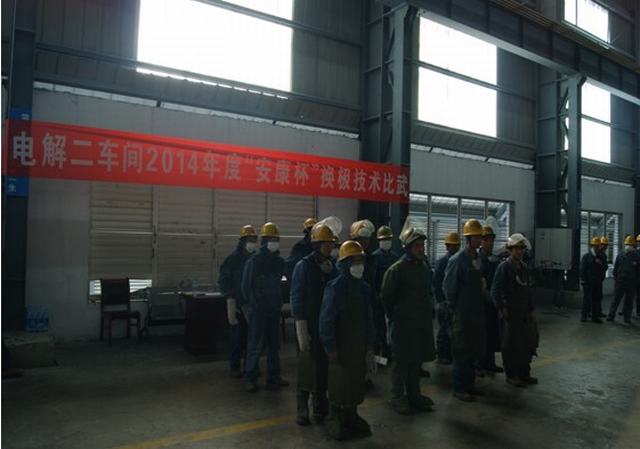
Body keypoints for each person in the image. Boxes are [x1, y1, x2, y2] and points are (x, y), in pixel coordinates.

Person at [319, 240, 376, 440]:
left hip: (358, 345)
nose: (359, 265)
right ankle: (334, 417)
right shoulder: (334, 289)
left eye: (361, 261)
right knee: (339, 381)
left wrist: (370, 344)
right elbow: (326, 321)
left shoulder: (364, 288)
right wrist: (330, 347)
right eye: (354, 261)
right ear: (344, 264)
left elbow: (369, 318)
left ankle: (352, 415)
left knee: (355, 382)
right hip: (341, 345)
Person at [380, 227, 436, 415]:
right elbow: (386, 297)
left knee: (416, 360)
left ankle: (414, 395)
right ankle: (397, 397)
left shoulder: (424, 267)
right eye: (417, 246)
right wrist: (396, 317)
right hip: (403, 325)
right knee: (401, 362)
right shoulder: (397, 270)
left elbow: (428, 292)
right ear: (408, 248)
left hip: (420, 323)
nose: (421, 249)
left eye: (422, 245)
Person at [291, 223, 338, 426]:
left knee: (322, 368)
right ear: (316, 245)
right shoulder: (303, 266)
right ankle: (302, 408)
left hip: (324, 325)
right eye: (326, 244)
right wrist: (300, 326)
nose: (330, 247)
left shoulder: (332, 267)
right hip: (308, 324)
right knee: (306, 368)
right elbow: (296, 296)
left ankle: (320, 405)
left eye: (331, 243)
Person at [242, 222, 289, 392]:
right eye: (271, 239)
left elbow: (283, 283)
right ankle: (250, 377)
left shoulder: (279, 262)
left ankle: (273, 378)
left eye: (276, 239)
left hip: (274, 309)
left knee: (274, 346)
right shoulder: (254, 261)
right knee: (255, 345)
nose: (274, 242)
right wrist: (251, 305)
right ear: (264, 241)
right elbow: (245, 286)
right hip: (258, 310)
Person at [443, 219, 486, 402]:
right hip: (461, 313)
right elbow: (449, 288)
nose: (479, 240)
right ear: (468, 238)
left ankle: (469, 384)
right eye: (476, 237)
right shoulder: (457, 260)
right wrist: (455, 310)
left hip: (475, 312)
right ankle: (459, 387)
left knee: (472, 349)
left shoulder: (477, 258)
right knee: (461, 350)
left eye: (480, 237)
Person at [491, 233, 538, 388]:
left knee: (526, 344)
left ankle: (524, 373)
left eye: (521, 248)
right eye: (516, 248)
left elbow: (528, 290)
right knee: (510, 345)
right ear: (510, 250)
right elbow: (495, 291)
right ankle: (511, 375)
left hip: (524, 313)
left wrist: (531, 309)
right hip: (510, 313)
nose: (519, 251)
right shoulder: (504, 267)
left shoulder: (524, 268)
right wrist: (502, 308)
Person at [218, 225, 258, 378]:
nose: (252, 242)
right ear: (242, 241)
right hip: (238, 305)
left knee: (252, 339)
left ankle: (250, 367)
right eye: (250, 239)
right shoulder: (233, 259)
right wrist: (230, 297)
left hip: (253, 305)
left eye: (254, 239)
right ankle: (235, 366)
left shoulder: (256, 259)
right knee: (237, 338)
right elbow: (223, 280)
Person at [478, 225, 503, 375]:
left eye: (492, 240)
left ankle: (490, 363)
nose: (490, 243)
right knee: (482, 335)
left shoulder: (493, 259)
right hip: (482, 304)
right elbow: (481, 286)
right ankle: (480, 364)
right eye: (487, 240)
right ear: (481, 241)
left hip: (492, 303)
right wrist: (493, 300)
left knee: (492, 333)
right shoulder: (478, 259)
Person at [371, 225, 399, 361]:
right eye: (383, 239)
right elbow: (373, 279)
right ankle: (378, 358)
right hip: (378, 299)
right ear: (379, 241)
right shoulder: (374, 257)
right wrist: (376, 296)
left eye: (388, 239)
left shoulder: (395, 257)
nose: (386, 242)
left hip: (392, 299)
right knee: (379, 329)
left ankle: (389, 355)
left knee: (392, 328)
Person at [433, 232, 460, 365]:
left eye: (456, 246)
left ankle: (449, 354)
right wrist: (441, 301)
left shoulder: (457, 261)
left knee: (452, 329)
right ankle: (442, 354)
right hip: (443, 301)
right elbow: (437, 283)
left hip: (452, 301)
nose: (454, 248)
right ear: (447, 246)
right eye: (452, 246)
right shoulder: (443, 262)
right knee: (444, 328)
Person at [607, 235, 639, 324]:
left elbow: (638, 270)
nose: (628, 246)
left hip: (631, 282)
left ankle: (627, 317)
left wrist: (636, 280)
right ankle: (611, 315)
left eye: (630, 245)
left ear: (633, 246)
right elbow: (616, 268)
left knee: (629, 300)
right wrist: (616, 278)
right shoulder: (620, 255)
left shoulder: (636, 256)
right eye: (627, 244)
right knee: (616, 298)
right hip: (620, 281)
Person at [580, 237, 604, 324]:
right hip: (588, 282)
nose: (596, 247)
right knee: (587, 300)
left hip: (597, 282)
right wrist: (583, 280)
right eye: (595, 246)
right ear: (592, 246)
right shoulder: (586, 257)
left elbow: (604, 268)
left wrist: (601, 264)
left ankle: (595, 317)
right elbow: (582, 269)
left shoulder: (601, 257)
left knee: (596, 300)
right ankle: (584, 316)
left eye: (597, 246)